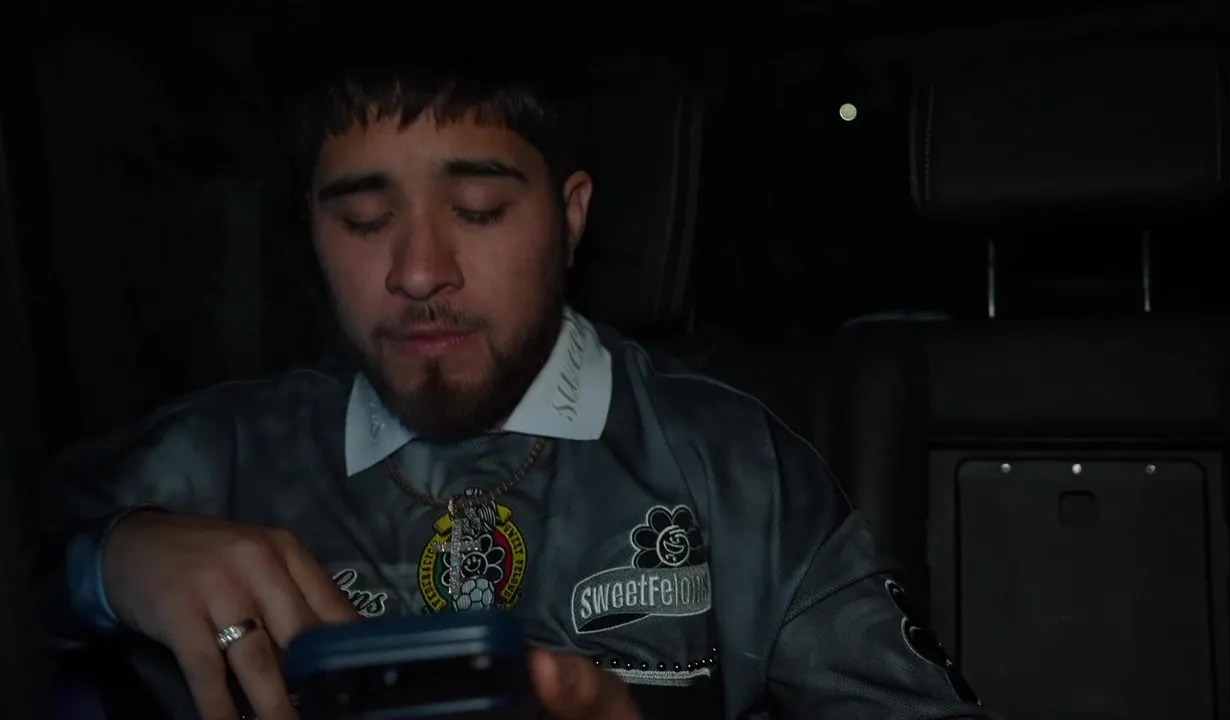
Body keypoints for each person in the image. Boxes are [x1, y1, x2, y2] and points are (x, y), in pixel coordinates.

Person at [34, 47, 997, 720]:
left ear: (570, 217)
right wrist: (101, 567)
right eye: (364, 220)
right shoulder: (220, 455)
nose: (419, 272)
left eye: (479, 209)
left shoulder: (732, 467)